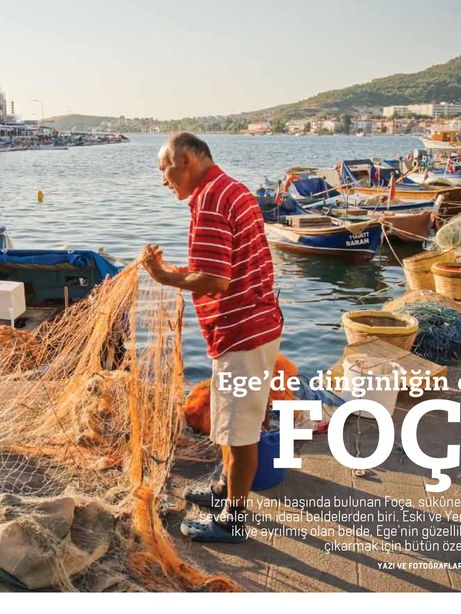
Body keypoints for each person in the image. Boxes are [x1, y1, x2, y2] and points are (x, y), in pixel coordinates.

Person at [140, 132, 283, 543]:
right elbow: (220, 264)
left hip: (242, 333)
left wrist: (165, 276)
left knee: (239, 432)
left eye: (164, 169)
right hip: (254, 325)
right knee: (229, 421)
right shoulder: (230, 190)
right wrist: (180, 270)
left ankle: (233, 520)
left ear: (184, 159)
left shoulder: (210, 201)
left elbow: (215, 280)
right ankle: (225, 490)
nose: (163, 180)